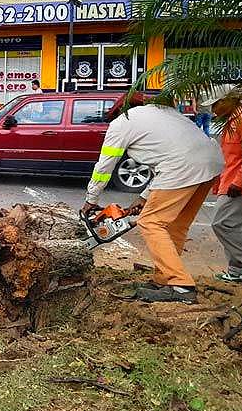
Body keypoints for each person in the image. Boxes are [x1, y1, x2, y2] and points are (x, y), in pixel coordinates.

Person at [81, 94, 224, 303]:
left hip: (182, 167)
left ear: (119, 112)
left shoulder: (124, 121)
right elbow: (167, 156)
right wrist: (144, 196)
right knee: (175, 226)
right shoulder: (165, 113)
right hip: (209, 163)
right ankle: (164, 279)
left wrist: (90, 200)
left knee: (150, 222)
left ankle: (180, 285)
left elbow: (105, 167)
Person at [206, 89, 242, 282]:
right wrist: (219, 182)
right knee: (236, 225)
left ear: (229, 100)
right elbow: (229, 157)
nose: (213, 110)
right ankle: (238, 270)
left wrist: (239, 182)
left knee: (222, 223)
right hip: (232, 181)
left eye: (215, 104)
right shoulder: (232, 120)